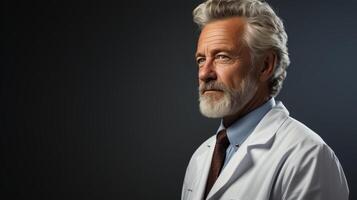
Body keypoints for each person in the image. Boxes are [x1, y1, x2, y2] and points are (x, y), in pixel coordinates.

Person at [181, 0, 349, 200]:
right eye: (201, 60)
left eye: (222, 57)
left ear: (265, 66)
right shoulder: (201, 157)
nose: (205, 73)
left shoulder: (307, 156)